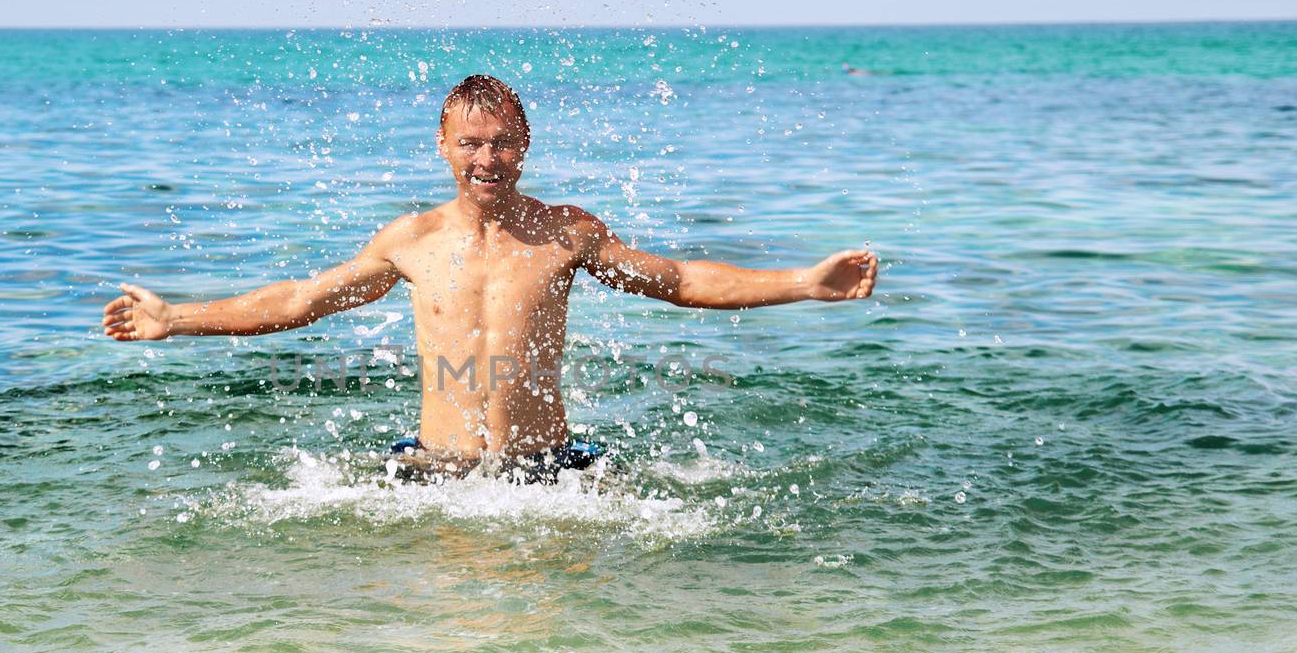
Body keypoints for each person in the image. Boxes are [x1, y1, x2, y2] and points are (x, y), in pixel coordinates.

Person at [103, 75, 876, 479]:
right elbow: (302, 300)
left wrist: (804, 282)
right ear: (441, 144)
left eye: (503, 143)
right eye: (472, 142)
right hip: (436, 469)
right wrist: (178, 317)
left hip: (549, 470)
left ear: (526, 145)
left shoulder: (567, 233)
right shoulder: (410, 241)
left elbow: (675, 278)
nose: (488, 160)